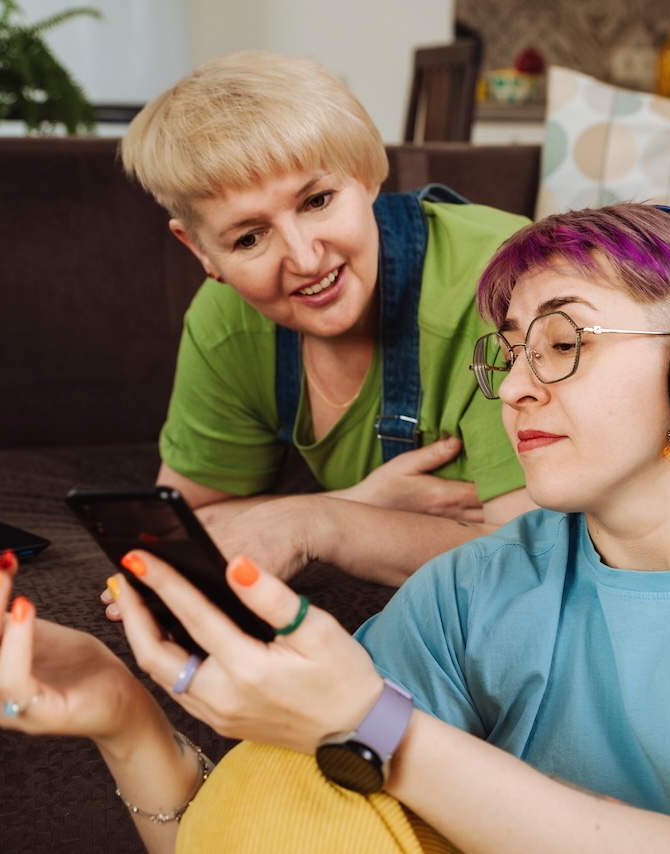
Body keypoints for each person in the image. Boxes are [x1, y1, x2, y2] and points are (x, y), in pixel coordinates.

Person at [0, 203, 670, 853]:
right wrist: (123, 714)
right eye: (505, 351)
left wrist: (378, 725)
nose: (511, 386)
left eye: (560, 342)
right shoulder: (476, 584)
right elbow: (277, 834)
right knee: (293, 773)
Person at [114, 50, 536, 588]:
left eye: (317, 200)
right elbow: (183, 526)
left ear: (365, 171)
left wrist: (319, 522)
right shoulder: (227, 323)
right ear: (199, 251)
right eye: (249, 237)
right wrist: (362, 503)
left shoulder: (499, 288)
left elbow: (527, 561)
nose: (306, 258)